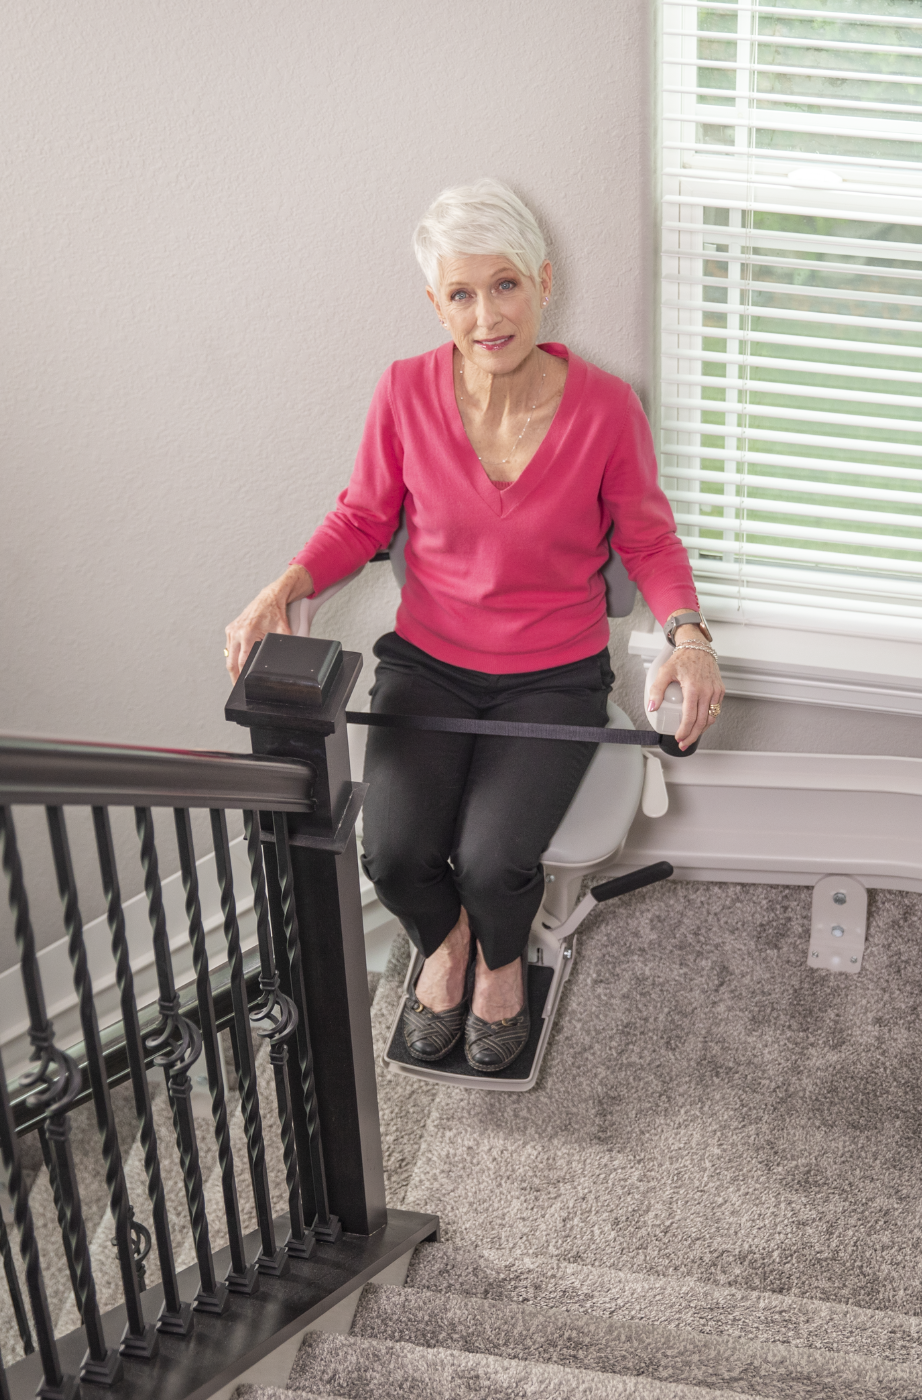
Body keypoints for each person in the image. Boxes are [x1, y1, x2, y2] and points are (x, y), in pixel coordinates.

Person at [224, 179, 722, 1072]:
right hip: (428, 668)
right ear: (436, 303)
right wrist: (285, 584)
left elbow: (649, 541)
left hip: (553, 677)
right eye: (462, 294)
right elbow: (362, 519)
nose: (487, 315)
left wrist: (689, 635)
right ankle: (444, 944)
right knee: (395, 855)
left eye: (505, 287)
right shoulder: (404, 392)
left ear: (543, 281)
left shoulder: (606, 409)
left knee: (495, 862)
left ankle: (500, 962)